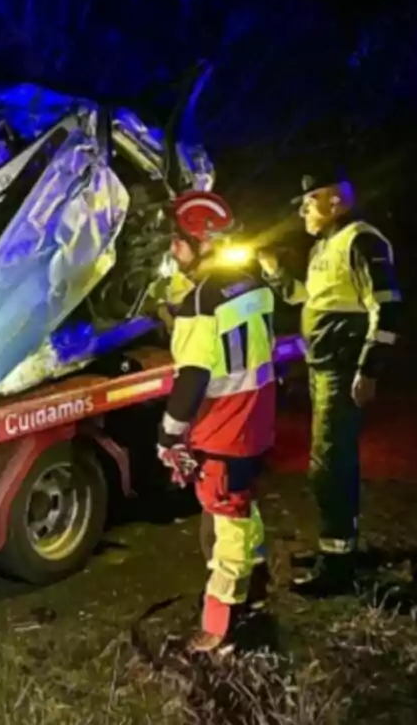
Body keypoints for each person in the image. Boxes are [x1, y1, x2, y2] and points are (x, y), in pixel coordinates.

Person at [257, 170, 402, 596]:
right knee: (328, 464)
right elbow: (310, 299)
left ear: (336, 201)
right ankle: (337, 549)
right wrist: (275, 273)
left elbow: (389, 310)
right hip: (324, 370)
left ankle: (337, 566)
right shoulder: (326, 246)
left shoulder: (362, 241)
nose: (302, 210)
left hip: (342, 372)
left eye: (309, 201)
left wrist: (369, 370)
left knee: (330, 466)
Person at [155, 190, 277, 653]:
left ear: (201, 242)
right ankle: (257, 589)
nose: (173, 250)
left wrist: (169, 433)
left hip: (223, 429)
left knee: (228, 523)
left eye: (178, 241)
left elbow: (193, 377)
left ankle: (218, 627)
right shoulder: (254, 284)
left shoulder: (201, 303)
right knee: (244, 510)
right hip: (256, 422)